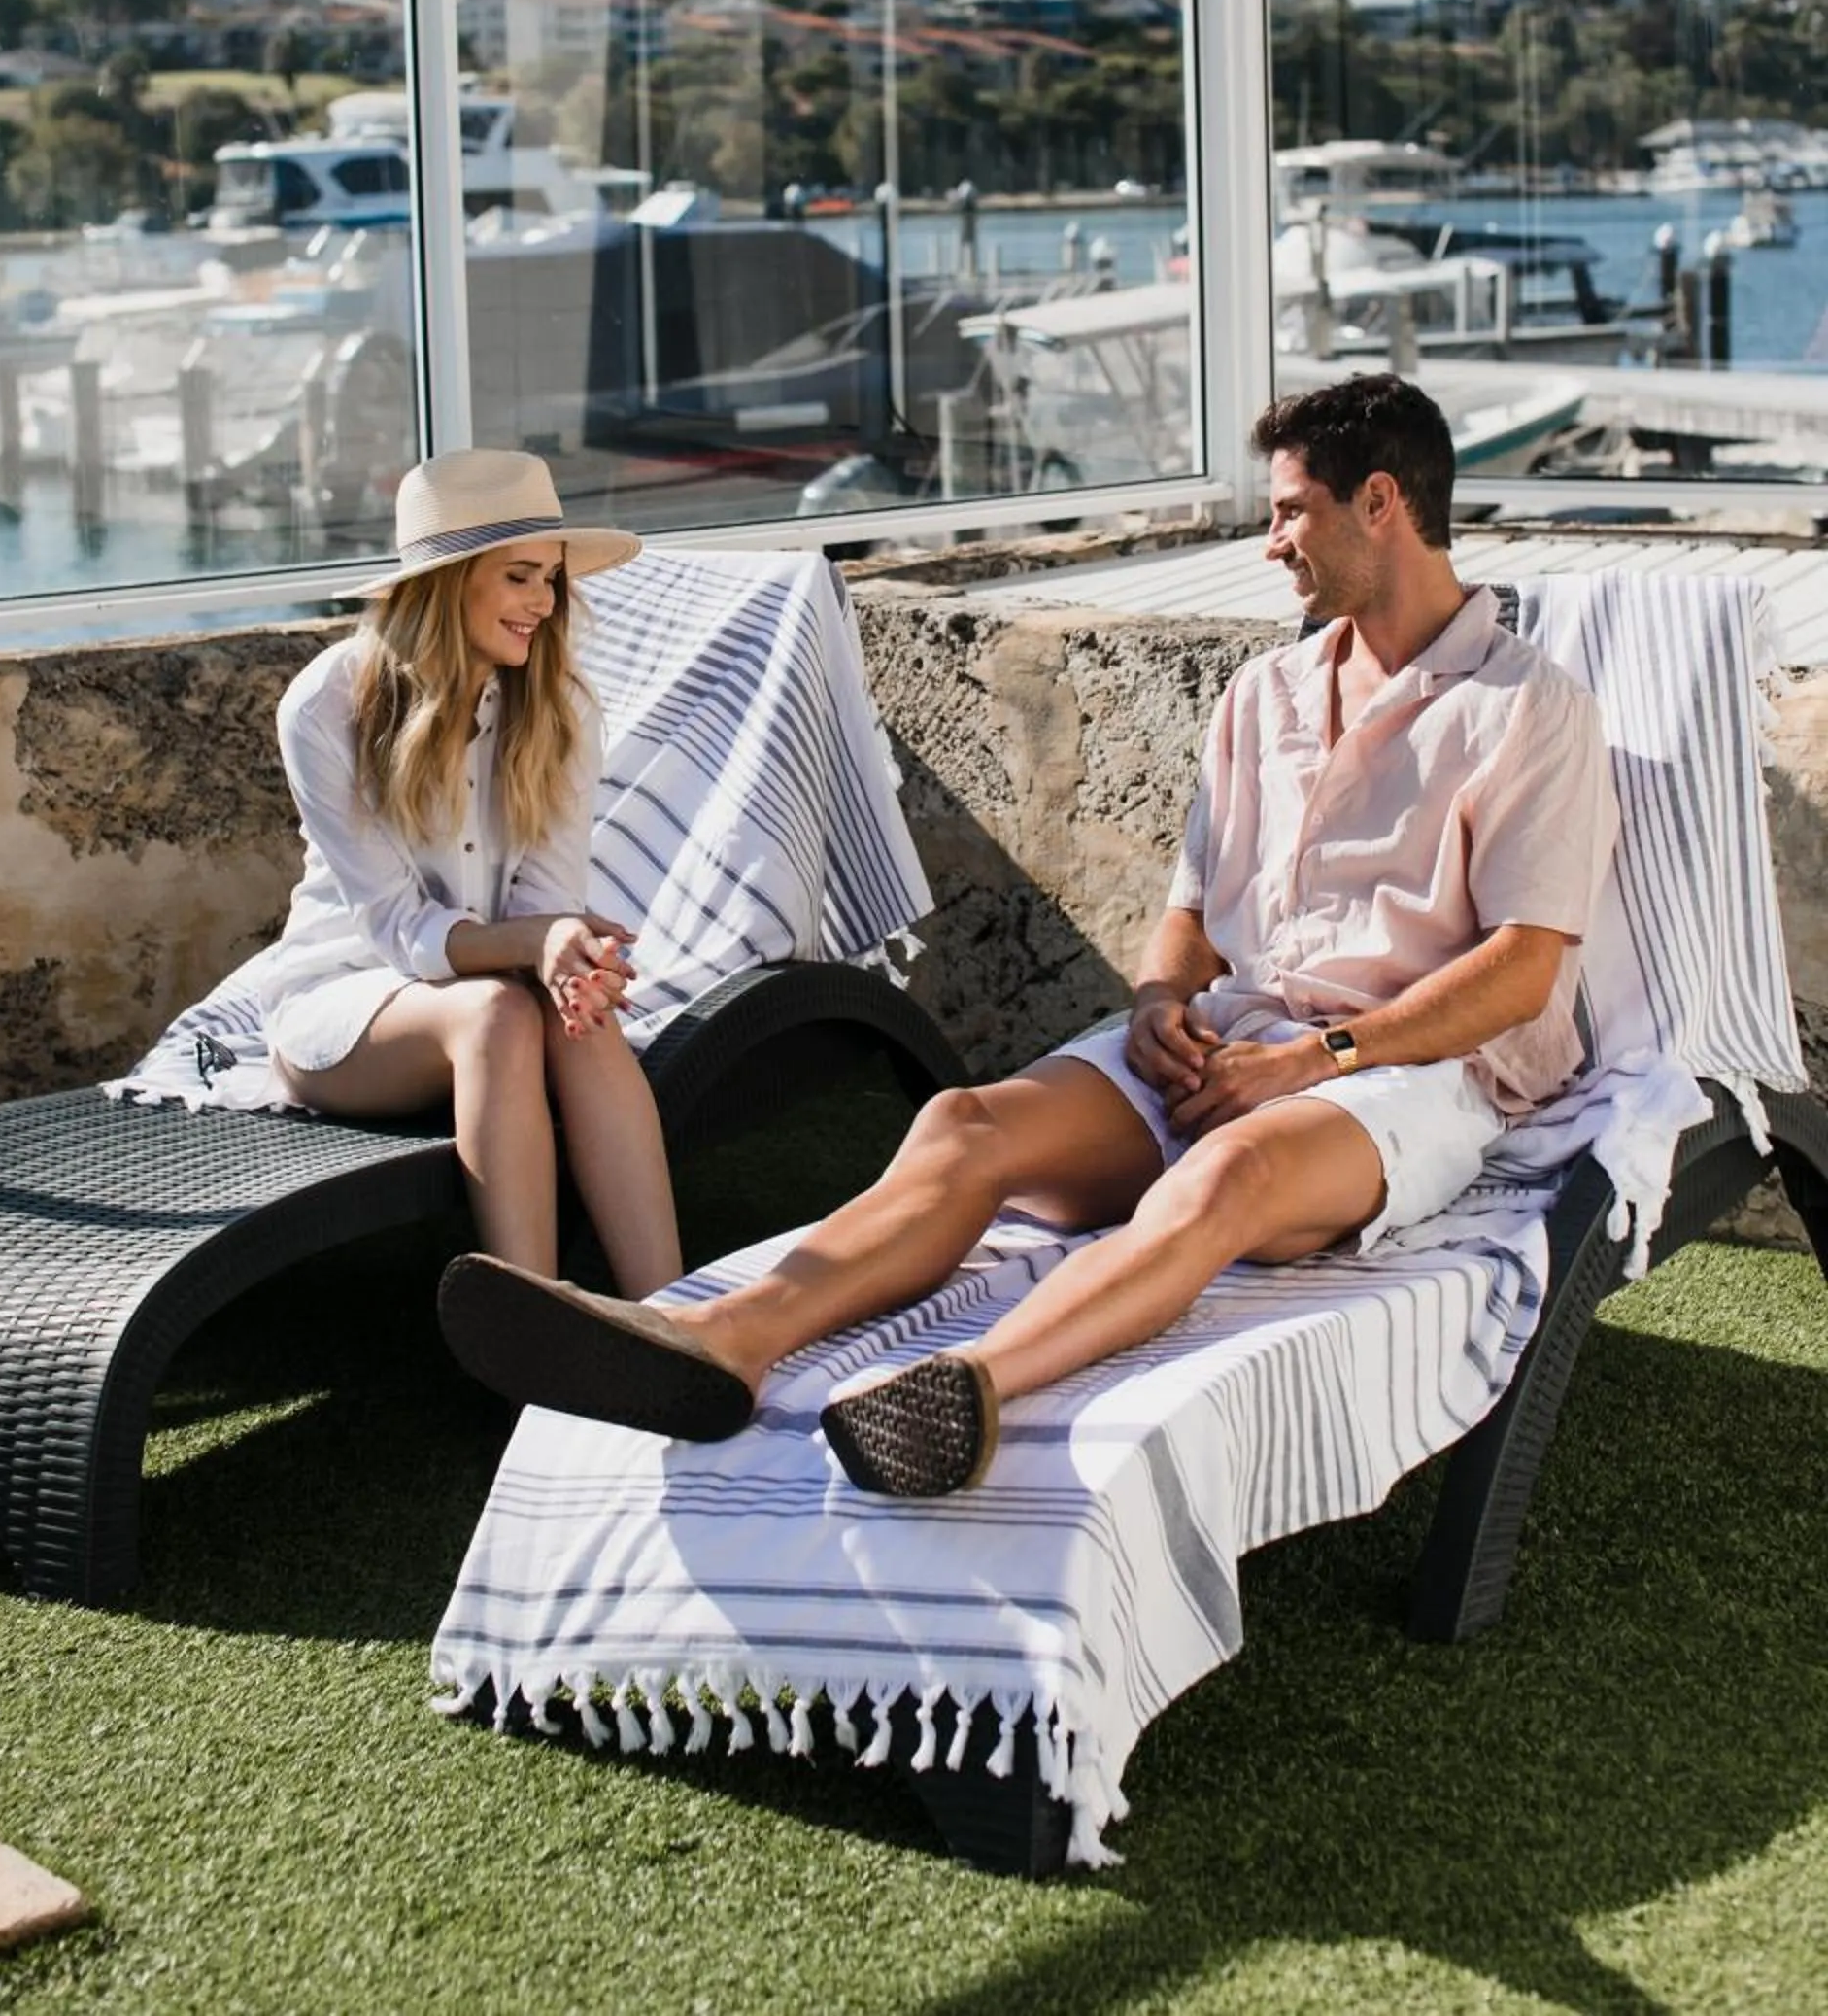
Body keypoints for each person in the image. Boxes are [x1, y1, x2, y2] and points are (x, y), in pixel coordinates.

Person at [437, 377, 1618, 1496]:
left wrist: (1315, 1060)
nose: (1271, 544)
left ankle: (966, 1388)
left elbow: (1522, 969)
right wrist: (1159, 1004)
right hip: (1226, 1043)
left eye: (1289, 513)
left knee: (1230, 1175)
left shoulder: (1524, 707)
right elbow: (1191, 914)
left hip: (1399, 1077)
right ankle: (720, 1340)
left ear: (1380, 503)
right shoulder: (1265, 694)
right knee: (962, 1124)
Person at [164, 447, 684, 1300]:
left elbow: (544, 903)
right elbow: (401, 933)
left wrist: (567, 959)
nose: (544, 604)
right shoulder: (327, 705)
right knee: (496, 1017)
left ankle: (673, 1318)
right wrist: (545, 941)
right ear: (451, 583)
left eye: (552, 580)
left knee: (572, 1016)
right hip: (344, 1009)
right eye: (521, 578)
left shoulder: (557, 709)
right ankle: (534, 1338)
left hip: (494, 987)